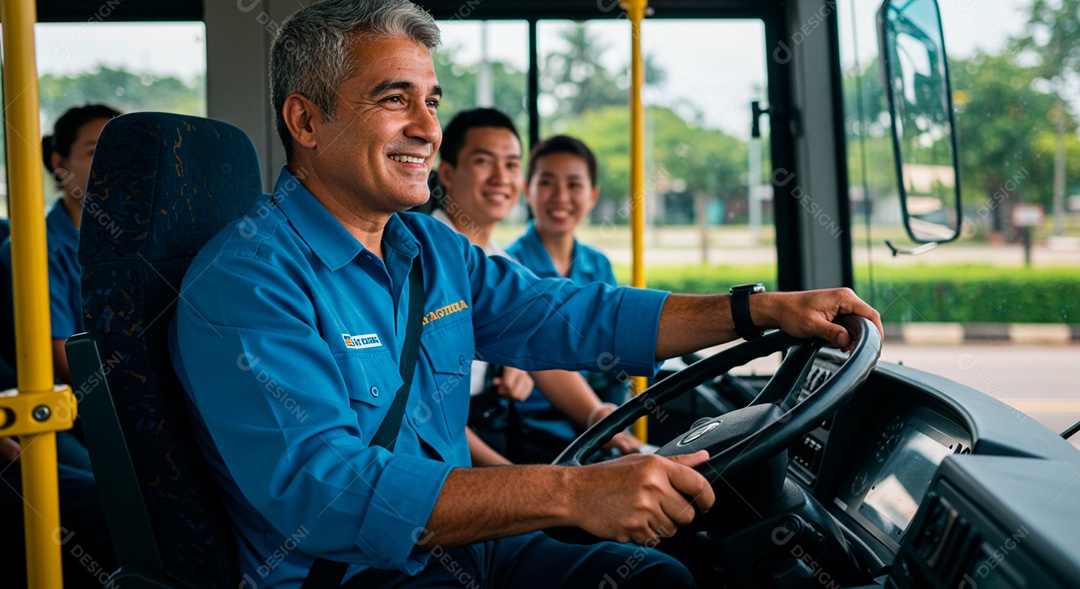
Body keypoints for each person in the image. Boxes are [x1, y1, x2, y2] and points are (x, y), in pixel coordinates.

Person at [168, 2, 883, 588]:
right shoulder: (247, 281)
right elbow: (328, 491)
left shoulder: (427, 247)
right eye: (394, 100)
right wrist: (573, 491)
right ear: (306, 120)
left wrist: (753, 309)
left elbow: (568, 312)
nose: (426, 127)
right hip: (357, 577)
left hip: (469, 552)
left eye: (431, 100)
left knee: (659, 578)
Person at [433, 109, 640, 464]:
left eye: (512, 165)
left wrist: (596, 416)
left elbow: (542, 343)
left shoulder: (504, 265)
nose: (501, 178)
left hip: (492, 427)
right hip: (445, 444)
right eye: (484, 162)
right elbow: (427, 406)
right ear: (447, 173)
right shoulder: (425, 259)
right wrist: (521, 485)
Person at [0, 104, 120, 588]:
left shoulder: (131, 241)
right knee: (113, 504)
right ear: (57, 162)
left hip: (114, 399)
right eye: (94, 152)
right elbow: (56, 354)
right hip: (74, 405)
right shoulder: (34, 248)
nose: (109, 165)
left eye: (118, 152)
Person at [507, 134, 630, 421]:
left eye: (574, 184)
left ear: (593, 196)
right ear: (528, 190)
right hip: (530, 424)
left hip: (598, 416)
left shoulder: (598, 265)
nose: (561, 197)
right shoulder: (507, 266)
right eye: (547, 183)